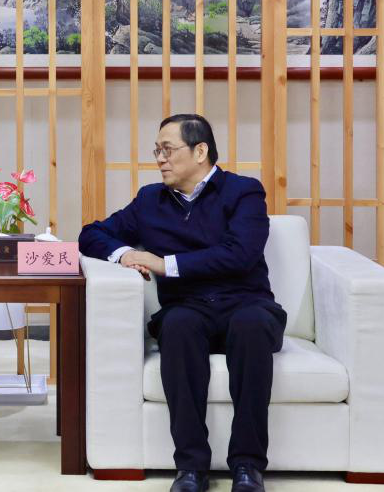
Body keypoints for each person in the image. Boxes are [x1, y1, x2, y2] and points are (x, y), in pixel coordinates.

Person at [79, 113, 285, 492]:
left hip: (246, 303)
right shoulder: (150, 200)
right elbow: (92, 234)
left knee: (251, 326)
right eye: (157, 151)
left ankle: (248, 466)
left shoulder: (243, 192)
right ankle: (191, 468)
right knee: (177, 326)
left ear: (200, 151)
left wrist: (164, 264)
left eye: (168, 150)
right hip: (188, 306)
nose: (160, 159)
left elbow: (240, 254)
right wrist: (125, 254)